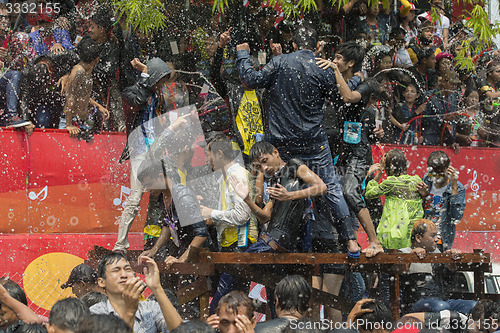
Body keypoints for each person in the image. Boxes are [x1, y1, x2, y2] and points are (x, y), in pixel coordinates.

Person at [237, 26, 380, 257]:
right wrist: (354, 80)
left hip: (282, 144)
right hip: (314, 143)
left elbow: (250, 79)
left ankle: (276, 237)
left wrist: (243, 55)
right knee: (331, 188)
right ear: (317, 46)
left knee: (278, 189)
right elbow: (339, 98)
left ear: (293, 45)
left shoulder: (281, 62)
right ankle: (351, 240)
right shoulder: (322, 67)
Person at [113, 56, 176, 253]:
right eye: (160, 81)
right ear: (152, 79)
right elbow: (138, 101)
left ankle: (172, 241)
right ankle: (120, 245)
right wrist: (145, 74)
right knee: (135, 198)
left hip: (157, 150)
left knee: (168, 195)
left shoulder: (158, 96)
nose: (162, 86)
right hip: (140, 151)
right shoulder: (132, 92)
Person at [90, 252, 183, 332]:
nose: (123, 275)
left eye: (127, 269)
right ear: (101, 282)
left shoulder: (150, 308)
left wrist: (157, 288)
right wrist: (130, 311)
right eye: (116, 270)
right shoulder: (96, 312)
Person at [200, 132, 258, 252]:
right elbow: (228, 213)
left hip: (242, 242)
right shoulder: (223, 177)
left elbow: (241, 217)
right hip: (231, 243)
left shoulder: (237, 175)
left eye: (207, 154)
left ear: (219, 154)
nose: (206, 160)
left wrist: (212, 213)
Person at [399, 219, 470, 313]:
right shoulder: (403, 253)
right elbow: (398, 281)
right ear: (418, 238)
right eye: (433, 236)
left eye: (437, 235)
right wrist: (410, 257)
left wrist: (451, 263)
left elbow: (448, 282)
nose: (437, 239)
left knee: (473, 306)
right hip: (417, 304)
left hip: (441, 301)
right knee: (441, 306)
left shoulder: (437, 254)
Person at [364, 149, 424, 249]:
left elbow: (369, 193)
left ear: (390, 166)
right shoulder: (416, 180)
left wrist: (379, 172)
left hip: (394, 234)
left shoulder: (391, 182)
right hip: (412, 231)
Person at [62, 36, 109, 141]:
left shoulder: (87, 71)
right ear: (96, 59)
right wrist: (69, 125)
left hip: (83, 120)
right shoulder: (78, 72)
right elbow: (71, 97)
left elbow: (83, 95)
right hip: (72, 121)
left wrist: (98, 106)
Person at [88, 5, 124, 132]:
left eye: (92, 26)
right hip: (89, 87)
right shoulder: (87, 42)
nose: (89, 30)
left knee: (107, 121)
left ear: (101, 29)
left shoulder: (112, 46)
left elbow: (110, 70)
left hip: (106, 90)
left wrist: (91, 67)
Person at [420, 150, 466, 251]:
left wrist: (453, 189)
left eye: (440, 175)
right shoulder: (427, 179)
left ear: (448, 169)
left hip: (440, 239)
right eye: (432, 174)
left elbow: (456, 217)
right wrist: (422, 197)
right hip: (422, 236)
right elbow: (420, 210)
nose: (436, 178)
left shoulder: (458, 188)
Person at [0, 3, 32, 127]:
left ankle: (12, 116)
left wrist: (8, 58)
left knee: (15, 74)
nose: (4, 20)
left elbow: (22, 68)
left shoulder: (15, 39)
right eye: (1, 17)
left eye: (7, 17)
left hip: (3, 83)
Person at [421, 69, 461, 146]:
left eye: (456, 85)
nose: (454, 87)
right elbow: (423, 119)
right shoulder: (429, 96)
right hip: (430, 138)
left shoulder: (453, 97)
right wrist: (442, 118)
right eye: (452, 84)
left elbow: (453, 122)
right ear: (443, 82)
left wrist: (452, 141)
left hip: (447, 140)